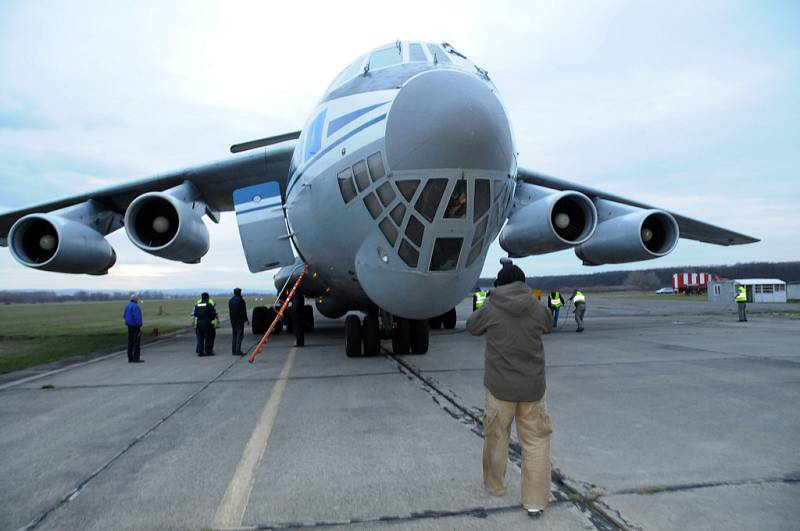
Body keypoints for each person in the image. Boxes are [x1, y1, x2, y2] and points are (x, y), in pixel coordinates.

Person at [466, 262, 554, 518]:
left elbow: (472, 327)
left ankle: (495, 486)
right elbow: (548, 324)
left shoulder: (492, 307)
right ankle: (535, 502)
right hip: (533, 389)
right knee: (536, 443)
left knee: (496, 438)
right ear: (523, 283)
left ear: (499, 284)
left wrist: (486, 307)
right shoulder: (536, 307)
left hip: (499, 389)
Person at [123, 293, 144, 363]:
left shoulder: (127, 306)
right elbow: (137, 317)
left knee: (130, 342)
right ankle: (136, 358)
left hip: (129, 326)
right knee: (136, 342)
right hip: (135, 326)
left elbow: (124, 315)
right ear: (135, 299)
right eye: (137, 298)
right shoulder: (136, 306)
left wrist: (127, 322)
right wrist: (140, 325)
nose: (138, 299)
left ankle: (130, 358)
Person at [228, 288, 249, 355]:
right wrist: (246, 320)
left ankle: (233, 350)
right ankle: (238, 351)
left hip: (233, 320)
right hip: (240, 320)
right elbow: (243, 311)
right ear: (239, 292)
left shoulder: (230, 300)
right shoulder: (241, 300)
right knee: (240, 335)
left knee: (234, 335)